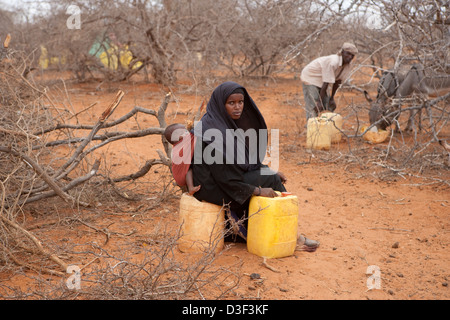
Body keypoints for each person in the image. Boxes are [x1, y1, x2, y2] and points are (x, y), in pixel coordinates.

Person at [190, 81, 319, 250]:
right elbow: (226, 179)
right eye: (231, 103)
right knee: (270, 180)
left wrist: (264, 170)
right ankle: (290, 237)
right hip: (211, 187)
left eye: (240, 102)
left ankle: (272, 231)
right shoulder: (213, 133)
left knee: (269, 176)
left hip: (224, 178)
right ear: (221, 104)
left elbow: (240, 162)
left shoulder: (220, 122)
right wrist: (257, 190)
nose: (237, 107)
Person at [300, 42, 358, 120]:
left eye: (352, 55)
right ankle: (311, 127)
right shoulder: (333, 61)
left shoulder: (348, 65)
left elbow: (338, 81)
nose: (350, 57)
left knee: (328, 106)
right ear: (342, 52)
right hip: (311, 77)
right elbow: (326, 82)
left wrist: (332, 98)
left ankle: (324, 128)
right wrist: (319, 102)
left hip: (322, 80)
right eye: (348, 53)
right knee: (314, 106)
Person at [164, 123, 201, 195]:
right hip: (183, 171)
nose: (187, 133)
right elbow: (193, 136)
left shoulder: (183, 144)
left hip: (187, 165)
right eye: (183, 132)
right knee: (188, 169)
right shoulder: (181, 146)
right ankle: (191, 187)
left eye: (186, 131)